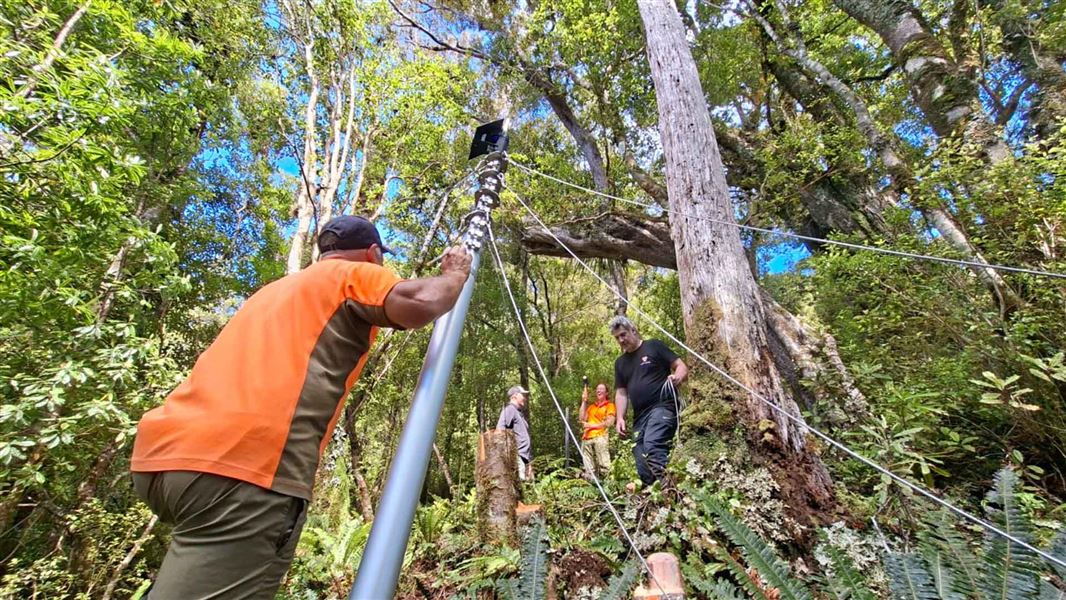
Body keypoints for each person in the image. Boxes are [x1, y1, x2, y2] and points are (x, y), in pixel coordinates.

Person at [129, 215, 472, 599]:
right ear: (372, 253)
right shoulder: (351, 274)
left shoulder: (274, 291)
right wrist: (456, 274)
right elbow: (422, 301)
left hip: (164, 460)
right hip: (244, 470)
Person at [610, 316, 688, 486]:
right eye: (617, 338)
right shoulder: (620, 363)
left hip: (663, 407)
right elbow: (621, 393)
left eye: (623, 334)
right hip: (640, 417)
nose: (621, 340)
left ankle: (670, 490)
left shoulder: (653, 346)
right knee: (640, 457)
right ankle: (654, 495)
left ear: (633, 330)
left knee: (652, 445)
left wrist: (677, 378)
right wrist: (620, 418)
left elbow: (681, 366)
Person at [496, 385, 533, 481]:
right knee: (520, 485)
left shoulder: (519, 413)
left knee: (526, 486)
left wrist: (529, 462)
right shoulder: (510, 410)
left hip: (524, 458)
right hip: (517, 456)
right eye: (523, 395)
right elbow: (499, 431)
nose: (525, 398)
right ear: (515, 396)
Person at [579, 381, 615, 479]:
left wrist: (592, 426)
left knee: (605, 466)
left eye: (601, 389)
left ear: (606, 393)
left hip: (600, 436)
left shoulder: (609, 405)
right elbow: (582, 418)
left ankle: (610, 486)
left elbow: (610, 422)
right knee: (589, 469)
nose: (598, 391)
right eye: (597, 389)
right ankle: (593, 488)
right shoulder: (591, 407)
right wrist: (584, 401)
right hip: (586, 438)